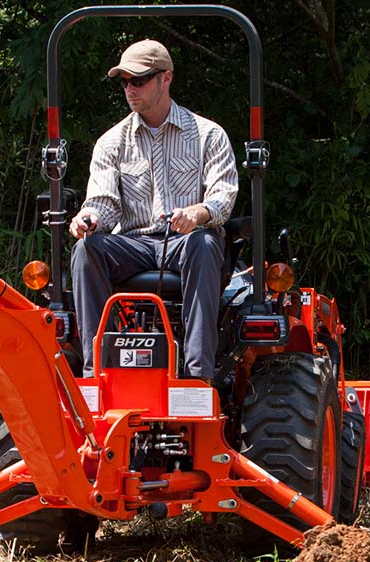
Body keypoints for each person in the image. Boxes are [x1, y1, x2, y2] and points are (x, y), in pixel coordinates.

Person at [70, 39, 239, 380]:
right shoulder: (111, 142)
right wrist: (89, 218)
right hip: (134, 243)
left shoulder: (208, 135)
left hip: (184, 241)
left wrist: (198, 214)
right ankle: (97, 372)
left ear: (166, 78)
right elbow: (104, 203)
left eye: (139, 79)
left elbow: (223, 197)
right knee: (86, 249)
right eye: (125, 82)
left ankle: (197, 376)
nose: (130, 89)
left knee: (205, 245)